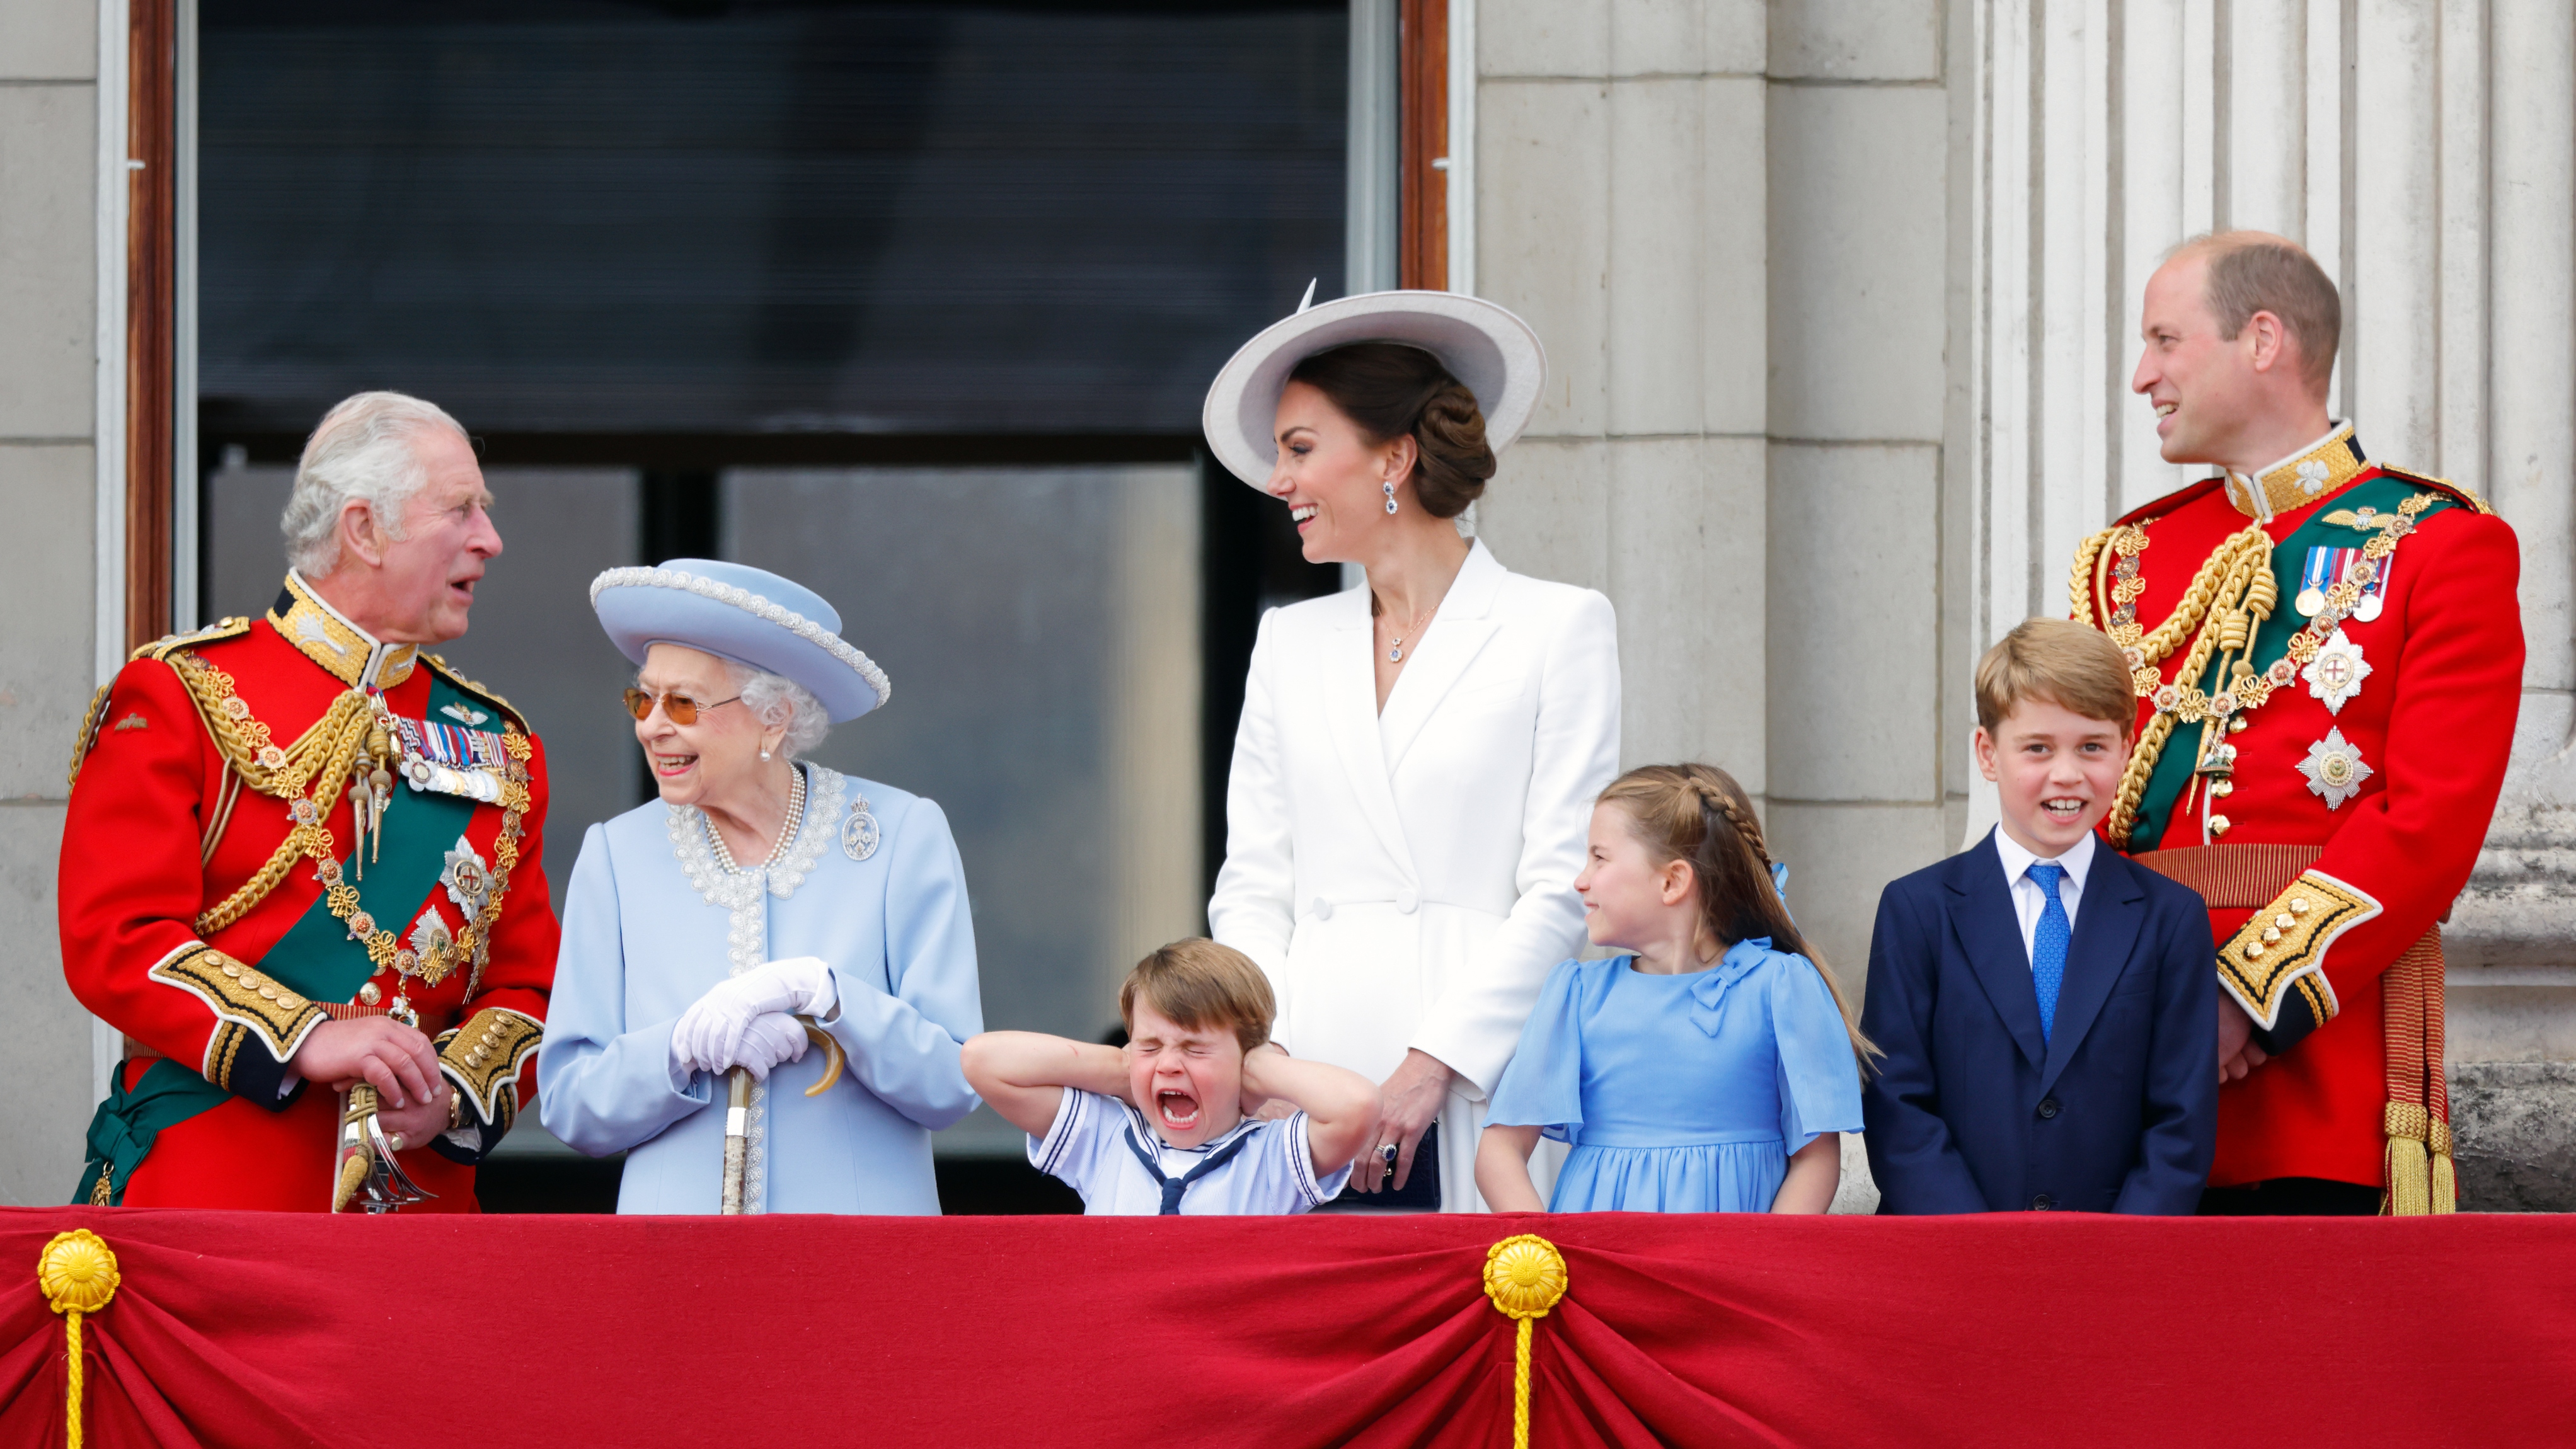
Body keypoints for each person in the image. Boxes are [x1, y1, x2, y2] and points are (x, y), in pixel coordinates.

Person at [2076, 232, 2522, 1215]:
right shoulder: (2130, 560)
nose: (2143, 374)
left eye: (2164, 340)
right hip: (2122, 1036)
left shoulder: (2440, 545)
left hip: (2317, 1051)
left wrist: (2249, 997)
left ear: (2263, 339)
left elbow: (2429, 821)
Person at [62, 391, 556, 1211]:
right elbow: (115, 938)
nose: (490, 539)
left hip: (420, 1213)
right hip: (216, 1196)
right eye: (462, 510)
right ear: (364, 531)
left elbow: (531, 987)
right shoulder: (185, 693)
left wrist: (456, 1094)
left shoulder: (501, 743)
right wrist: (309, 1040)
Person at [1200, 290, 1621, 1211]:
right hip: (1302, 1093)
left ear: (1394, 456)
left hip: (1476, 1080)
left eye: (1301, 449)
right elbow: (1254, 883)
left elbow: (1562, 884)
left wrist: (1437, 1063)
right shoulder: (1289, 642)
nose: (1280, 481)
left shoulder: (1558, 626)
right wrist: (1264, 1058)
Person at [537, 559, 982, 1214]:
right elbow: (572, 1104)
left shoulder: (900, 835)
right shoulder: (616, 854)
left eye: (681, 702)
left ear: (772, 718)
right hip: (673, 1263)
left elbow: (950, 1084)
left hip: (862, 1264)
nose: (650, 725)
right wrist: (679, 1046)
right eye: (642, 698)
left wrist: (830, 997)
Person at [1863, 620, 2217, 1214]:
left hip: (2114, 1262)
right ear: (1987, 753)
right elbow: (1896, 1103)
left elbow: (2181, 1118)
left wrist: (2121, 1254)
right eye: (2037, 748)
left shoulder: (2171, 918)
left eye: (2092, 747)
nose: (2067, 775)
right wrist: (1979, 1247)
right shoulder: (1918, 910)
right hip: (1952, 1256)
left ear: (2127, 749)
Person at [1475, 765, 1868, 1214]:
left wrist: (1760, 1269)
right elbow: (1498, 1153)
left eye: (1599, 858)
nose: (1580, 880)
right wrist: (1549, 1260)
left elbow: (1815, 1160)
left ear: (1672, 881)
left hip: (1728, 1271)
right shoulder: (1577, 995)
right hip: (1600, 1270)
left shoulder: (1781, 987)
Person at [963, 939, 1377, 1215]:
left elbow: (1358, 1106)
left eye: (1194, 1049)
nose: (1169, 1065)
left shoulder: (1269, 1158)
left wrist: (1258, 1069)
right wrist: (1121, 1072)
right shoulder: (1107, 1140)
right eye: (1150, 1046)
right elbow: (983, 1061)